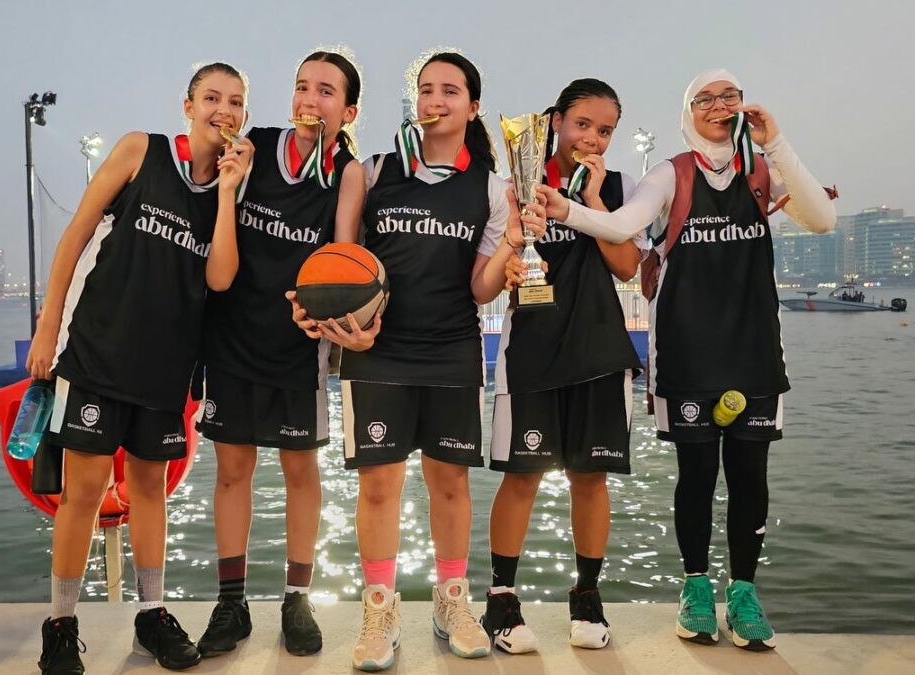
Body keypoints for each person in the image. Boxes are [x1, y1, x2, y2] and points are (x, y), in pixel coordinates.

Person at [538, 68, 837, 651]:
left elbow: (822, 219)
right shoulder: (669, 174)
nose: (718, 105)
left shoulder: (761, 171)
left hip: (753, 350)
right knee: (696, 477)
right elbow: (624, 225)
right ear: (688, 109)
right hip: (686, 350)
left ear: (744, 106)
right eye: (706, 97)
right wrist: (564, 209)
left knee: (751, 476)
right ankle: (696, 588)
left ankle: (745, 594)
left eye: (730, 96)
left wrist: (774, 141)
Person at [24, 62, 252, 674]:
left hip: (166, 371)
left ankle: (151, 615)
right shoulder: (140, 151)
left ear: (244, 118)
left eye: (234, 102)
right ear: (188, 105)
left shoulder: (229, 191)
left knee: (151, 490)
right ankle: (61, 624)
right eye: (211, 98)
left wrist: (229, 192)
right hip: (97, 355)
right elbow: (74, 235)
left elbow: (220, 277)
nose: (222, 111)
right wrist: (48, 328)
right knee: (84, 494)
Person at [294, 50, 515, 671]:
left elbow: (481, 288)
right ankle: (380, 611)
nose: (435, 101)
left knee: (450, 484)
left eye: (450, 90)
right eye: (425, 90)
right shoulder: (372, 170)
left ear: (473, 106)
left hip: (452, 350)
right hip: (379, 353)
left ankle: (451, 602)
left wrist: (513, 246)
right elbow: (341, 263)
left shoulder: (492, 188)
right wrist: (344, 335)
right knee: (380, 486)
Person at [194, 49, 365, 658]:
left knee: (300, 473)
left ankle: (297, 599)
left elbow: (343, 257)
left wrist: (327, 310)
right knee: (233, 471)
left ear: (348, 110)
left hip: (299, 345)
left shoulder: (347, 172)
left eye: (325, 92)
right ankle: (231, 602)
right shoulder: (253, 146)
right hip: (234, 334)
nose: (309, 101)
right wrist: (229, 181)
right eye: (301, 87)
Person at [485, 78, 643, 653]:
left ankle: (587, 596)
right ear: (555, 121)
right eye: (583, 125)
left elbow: (626, 266)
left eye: (605, 131)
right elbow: (498, 262)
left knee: (590, 477)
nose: (593, 139)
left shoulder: (619, 188)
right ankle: (502, 598)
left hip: (599, 350)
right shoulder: (519, 182)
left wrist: (594, 203)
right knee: (521, 476)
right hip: (530, 349)